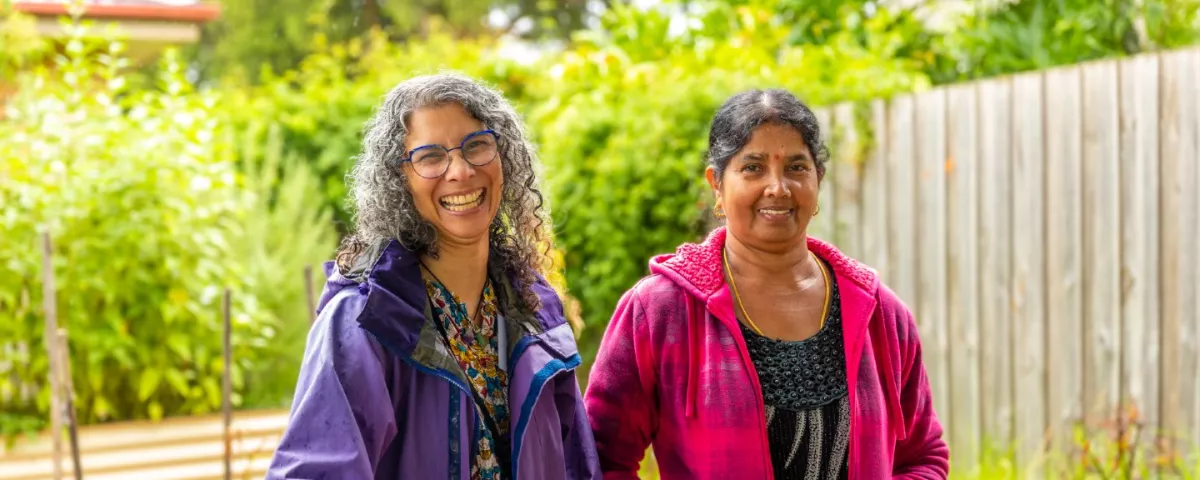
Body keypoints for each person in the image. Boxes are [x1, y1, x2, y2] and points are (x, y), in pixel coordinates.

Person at [584, 89, 949, 479]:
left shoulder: (878, 313)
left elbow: (923, 456)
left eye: (796, 167)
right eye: (753, 168)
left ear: (818, 180)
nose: (777, 188)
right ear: (716, 185)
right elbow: (601, 459)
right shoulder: (659, 312)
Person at [267, 73, 600, 479]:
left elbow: (576, 464)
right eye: (430, 156)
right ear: (399, 180)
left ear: (505, 156)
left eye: (476, 146)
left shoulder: (536, 309)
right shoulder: (364, 321)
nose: (459, 170)